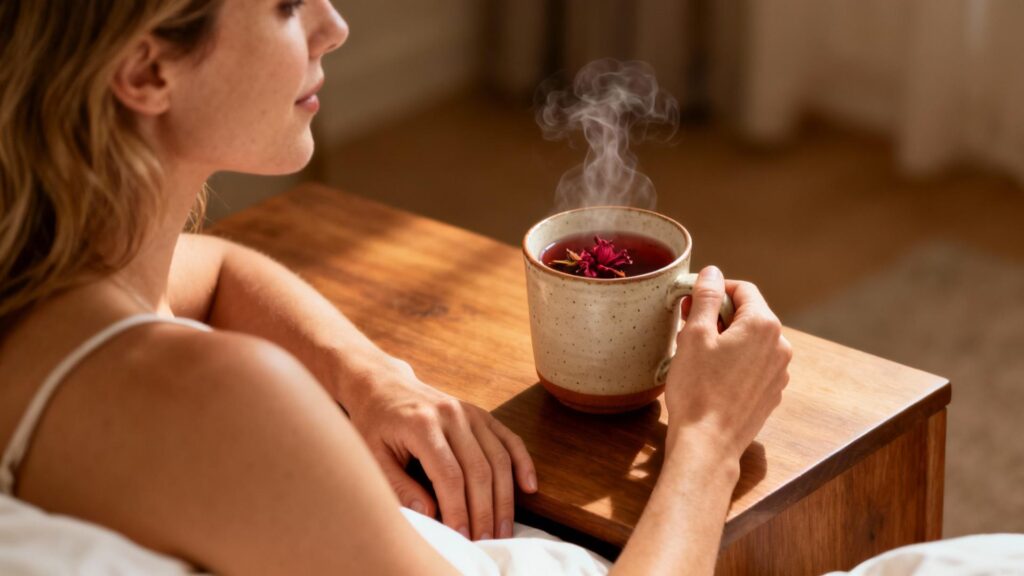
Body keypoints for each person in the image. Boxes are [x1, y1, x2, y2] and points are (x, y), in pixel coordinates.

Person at [0, 1, 792, 574]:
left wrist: (369, 376)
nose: (333, 25)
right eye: (284, 7)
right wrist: (710, 441)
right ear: (146, 69)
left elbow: (214, 268)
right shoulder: (226, 405)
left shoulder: (49, 280)